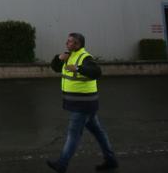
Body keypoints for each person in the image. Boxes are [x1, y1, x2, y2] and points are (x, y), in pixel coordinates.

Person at [47, 32, 118, 172]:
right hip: (82, 104)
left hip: (83, 104)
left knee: (73, 135)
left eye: (71, 42)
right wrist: (58, 58)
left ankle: (62, 164)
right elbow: (55, 68)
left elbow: (97, 72)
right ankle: (111, 160)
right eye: (67, 41)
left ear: (79, 44)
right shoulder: (69, 55)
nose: (67, 44)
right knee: (98, 132)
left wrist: (78, 68)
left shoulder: (85, 57)